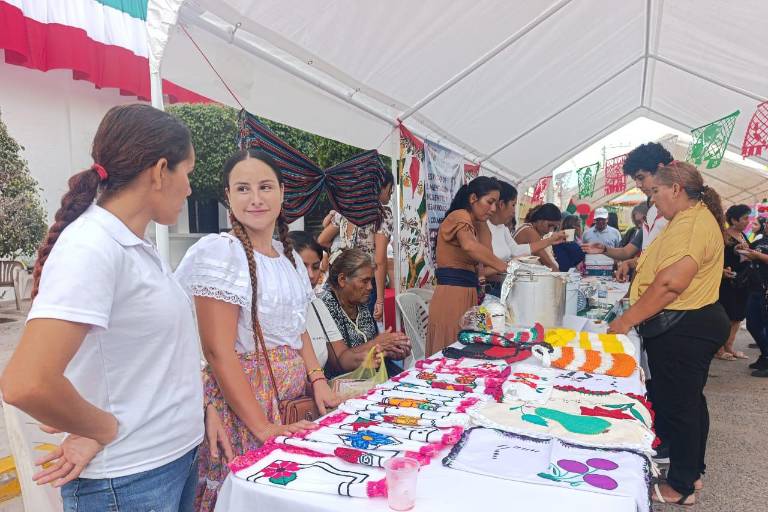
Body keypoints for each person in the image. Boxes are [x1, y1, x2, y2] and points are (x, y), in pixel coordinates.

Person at [0, 104, 208, 511]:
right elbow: (26, 382)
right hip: (129, 479)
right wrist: (102, 427)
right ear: (160, 170)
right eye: (188, 173)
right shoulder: (91, 247)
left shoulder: (133, 244)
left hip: (170, 461)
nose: (189, 188)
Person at [174, 149, 339, 511]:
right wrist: (263, 426)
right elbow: (218, 350)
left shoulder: (290, 257)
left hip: (290, 397)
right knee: (248, 494)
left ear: (282, 192)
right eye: (243, 189)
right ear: (228, 198)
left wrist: (318, 380)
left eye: (265, 187)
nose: (256, 198)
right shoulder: (220, 253)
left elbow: (298, 330)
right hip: (244, 403)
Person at [608, 161, 728, 506]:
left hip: (685, 325)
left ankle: (681, 486)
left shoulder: (691, 224)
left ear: (675, 188)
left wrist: (627, 319)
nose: (652, 200)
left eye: (655, 192)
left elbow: (670, 283)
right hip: (688, 323)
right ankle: (691, 472)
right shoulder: (690, 218)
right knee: (688, 402)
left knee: (680, 406)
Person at [427, 177, 508, 355]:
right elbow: (470, 246)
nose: (493, 209)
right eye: (490, 202)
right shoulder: (459, 216)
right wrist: (505, 267)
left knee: (471, 353)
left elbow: (484, 258)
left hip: (470, 295)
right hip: (452, 297)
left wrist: (483, 223)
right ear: (473, 199)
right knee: (450, 354)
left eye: (496, 204)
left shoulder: (475, 224)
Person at [581, 143, 674, 280]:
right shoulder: (652, 213)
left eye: (641, 177)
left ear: (660, 170)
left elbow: (671, 265)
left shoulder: (680, 212)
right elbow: (631, 252)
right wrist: (606, 250)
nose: (637, 185)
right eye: (635, 180)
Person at [316, 249, 411, 377]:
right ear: (342, 279)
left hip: (372, 376)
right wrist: (378, 343)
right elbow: (338, 363)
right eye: (364, 281)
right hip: (345, 382)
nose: (370, 287)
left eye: (370, 281)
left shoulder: (361, 302)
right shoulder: (325, 306)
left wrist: (391, 349)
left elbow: (373, 349)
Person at [317, 172, 395, 320]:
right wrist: (379, 300)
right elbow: (379, 260)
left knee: (340, 329)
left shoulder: (346, 210)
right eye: (390, 189)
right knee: (365, 332)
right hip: (363, 281)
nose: (390, 194)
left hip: (341, 280)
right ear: (381, 187)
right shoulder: (382, 213)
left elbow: (322, 240)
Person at [481, 181, 565, 295]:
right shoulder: (482, 227)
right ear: (501, 204)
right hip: (489, 290)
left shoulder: (502, 228)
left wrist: (550, 240)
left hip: (503, 286)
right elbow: (481, 271)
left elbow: (516, 250)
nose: (513, 211)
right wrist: (511, 263)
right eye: (513, 205)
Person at [715, 204, 753, 361]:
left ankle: (730, 345)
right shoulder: (723, 235)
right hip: (726, 281)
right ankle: (719, 349)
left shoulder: (743, 235)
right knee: (725, 316)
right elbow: (717, 257)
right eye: (744, 218)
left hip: (742, 281)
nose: (747, 221)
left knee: (737, 316)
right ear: (733, 220)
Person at [513, 203, 563, 272]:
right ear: (540, 219)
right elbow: (548, 264)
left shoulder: (530, 229)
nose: (550, 230)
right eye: (549, 225)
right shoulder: (529, 231)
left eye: (554, 228)